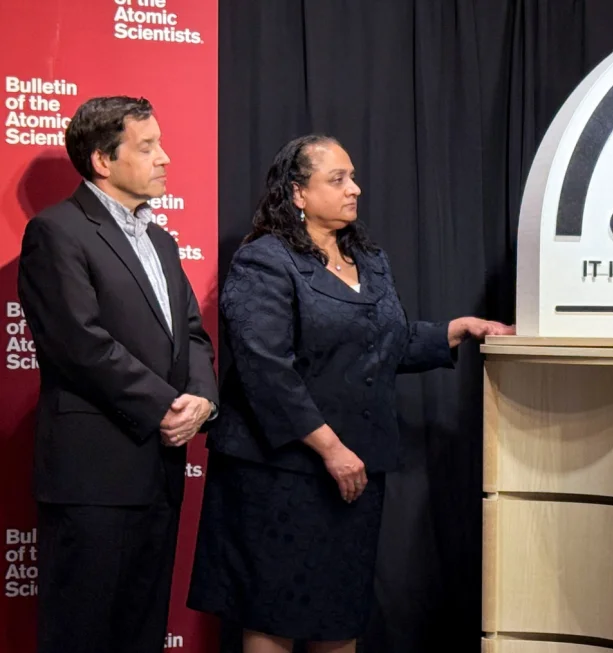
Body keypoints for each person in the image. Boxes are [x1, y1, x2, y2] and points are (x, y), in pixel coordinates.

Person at [187, 134, 513, 653]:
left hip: (355, 471)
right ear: (297, 192)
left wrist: (458, 329)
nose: (355, 189)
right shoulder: (264, 261)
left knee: (340, 615)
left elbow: (386, 343)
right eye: (337, 179)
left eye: (353, 176)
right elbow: (266, 369)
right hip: (281, 473)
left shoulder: (368, 257)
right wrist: (330, 449)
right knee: (273, 617)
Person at [17, 96, 219, 653]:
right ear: (103, 160)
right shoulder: (56, 231)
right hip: (93, 474)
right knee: (82, 632)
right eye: (148, 146)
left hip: (158, 470)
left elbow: (191, 335)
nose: (166, 158)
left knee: (142, 629)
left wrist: (201, 398)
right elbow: (78, 344)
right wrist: (166, 406)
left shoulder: (161, 240)